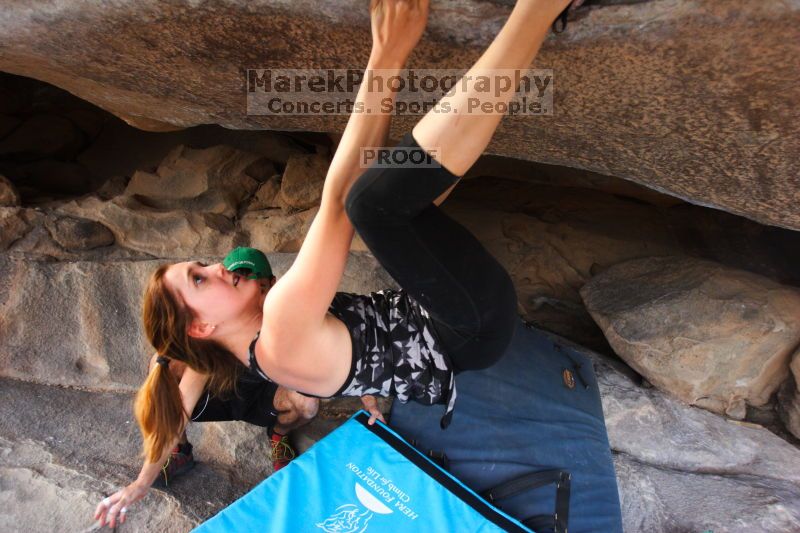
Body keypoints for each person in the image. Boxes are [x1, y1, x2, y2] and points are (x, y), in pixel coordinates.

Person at [96, 0, 579, 527]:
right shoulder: (277, 336)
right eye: (199, 279)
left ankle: (532, 26)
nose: (217, 266)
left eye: (201, 263)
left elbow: (346, 194)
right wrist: (386, 55)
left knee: (384, 199)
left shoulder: (267, 336)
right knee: (376, 206)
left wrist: (390, 61)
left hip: (450, 318)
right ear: (201, 325)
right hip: (468, 325)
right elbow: (339, 207)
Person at [93, 250, 319, 529]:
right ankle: (181, 451)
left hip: (263, 399)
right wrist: (141, 483)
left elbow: (346, 357)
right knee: (164, 365)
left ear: (271, 285)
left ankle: (278, 436)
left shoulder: (285, 319)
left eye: (256, 282)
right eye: (235, 278)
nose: (242, 282)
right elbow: (176, 412)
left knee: (308, 401)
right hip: (219, 397)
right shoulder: (216, 340)